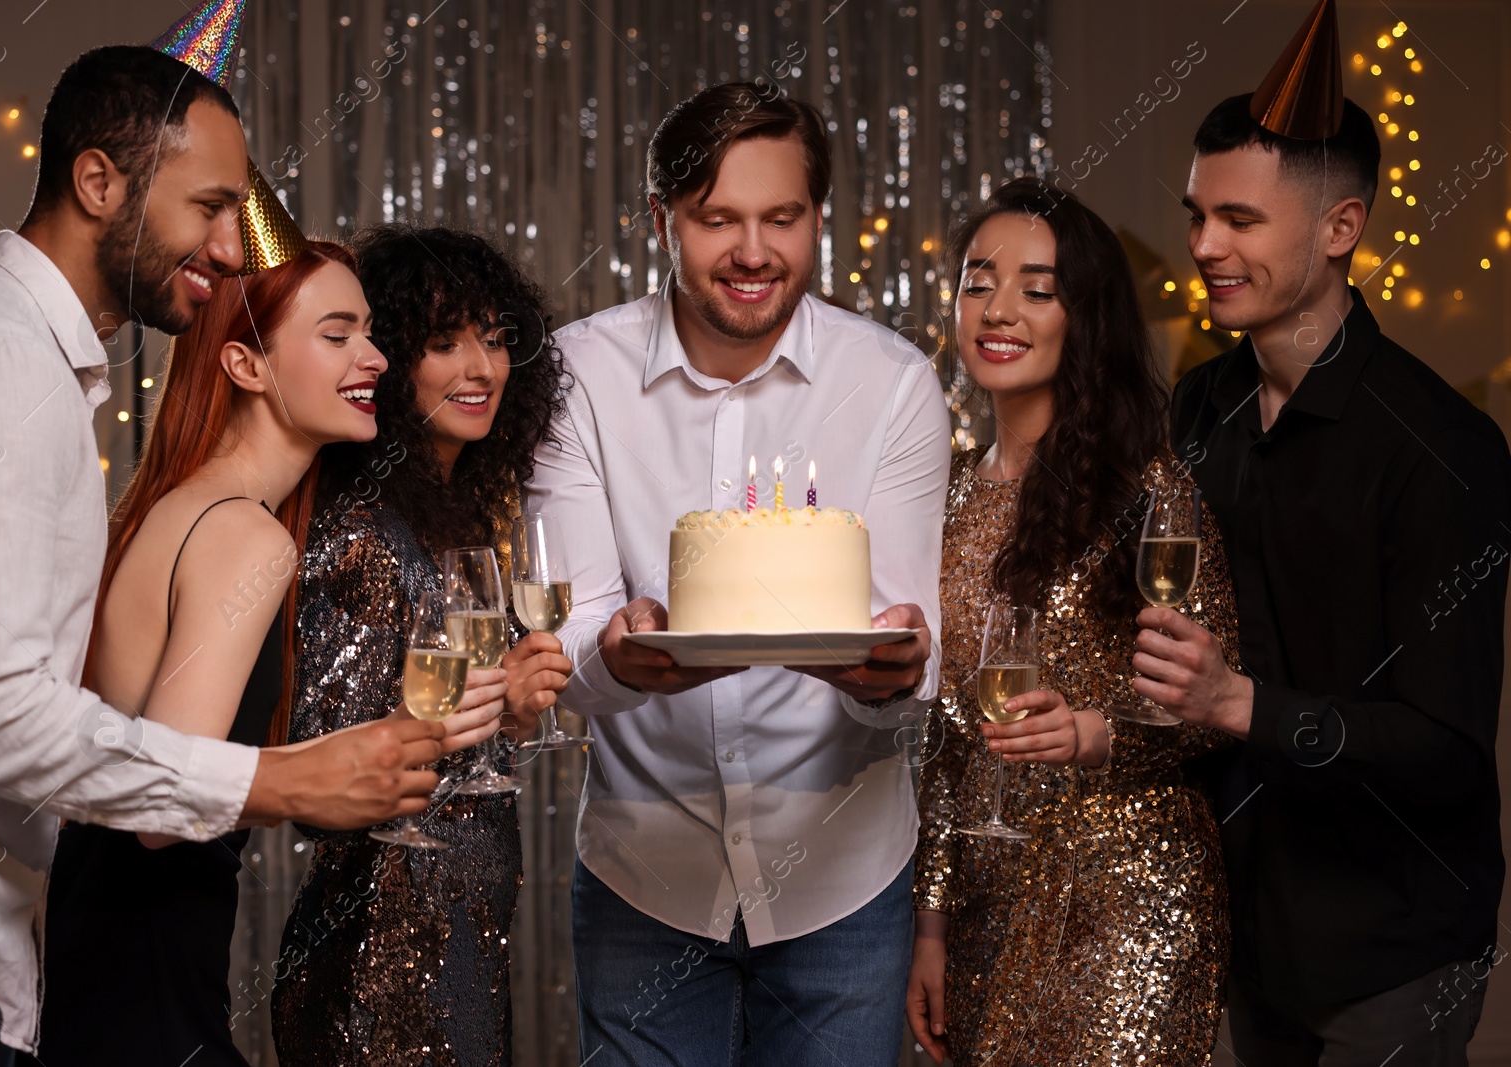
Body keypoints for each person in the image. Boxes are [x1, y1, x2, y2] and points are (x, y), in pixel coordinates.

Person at [0, 46, 450, 1065]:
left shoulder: (35, 375)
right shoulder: (2, 370)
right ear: (98, 181)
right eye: (208, 204)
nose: (227, 245)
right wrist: (282, 782)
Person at [525, 82, 950, 1065]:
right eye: (716, 219)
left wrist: (894, 669)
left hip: (843, 875)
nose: (753, 252)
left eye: (781, 218)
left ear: (817, 220)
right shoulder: (575, 378)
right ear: (660, 218)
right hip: (646, 866)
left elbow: (907, 642)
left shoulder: (891, 386)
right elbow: (575, 636)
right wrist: (620, 657)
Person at [1142, 5, 1510, 1062]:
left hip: (1388, 950)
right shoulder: (1200, 405)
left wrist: (1237, 703)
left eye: (1241, 221)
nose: (1204, 245)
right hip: (1248, 931)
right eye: (1196, 215)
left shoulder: (1442, 446)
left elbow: (1442, 747)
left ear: (1339, 228)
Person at [903, 177, 1237, 1065]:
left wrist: (1094, 731)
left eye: (1037, 289)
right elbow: (942, 739)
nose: (999, 309)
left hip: (1124, 895)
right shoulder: (943, 497)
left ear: (1082, 315)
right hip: (985, 898)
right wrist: (929, 923)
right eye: (979, 281)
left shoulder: (1146, 489)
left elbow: (1211, 704)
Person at [272, 225, 571, 1066]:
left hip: (462, 945)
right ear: (391, 363)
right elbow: (320, 764)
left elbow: (448, 724)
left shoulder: (453, 514)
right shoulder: (362, 528)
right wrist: (482, 709)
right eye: (445, 343)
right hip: (380, 962)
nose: (481, 368)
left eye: (496, 338)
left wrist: (506, 710)